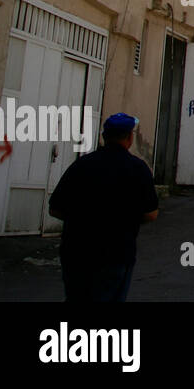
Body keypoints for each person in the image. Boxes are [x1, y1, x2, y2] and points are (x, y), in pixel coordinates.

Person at [47, 112, 158, 302]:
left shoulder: (81, 165)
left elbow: (55, 208)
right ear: (130, 137)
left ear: (104, 137)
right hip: (116, 252)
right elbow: (151, 214)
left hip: (76, 251)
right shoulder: (138, 169)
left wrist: (82, 219)